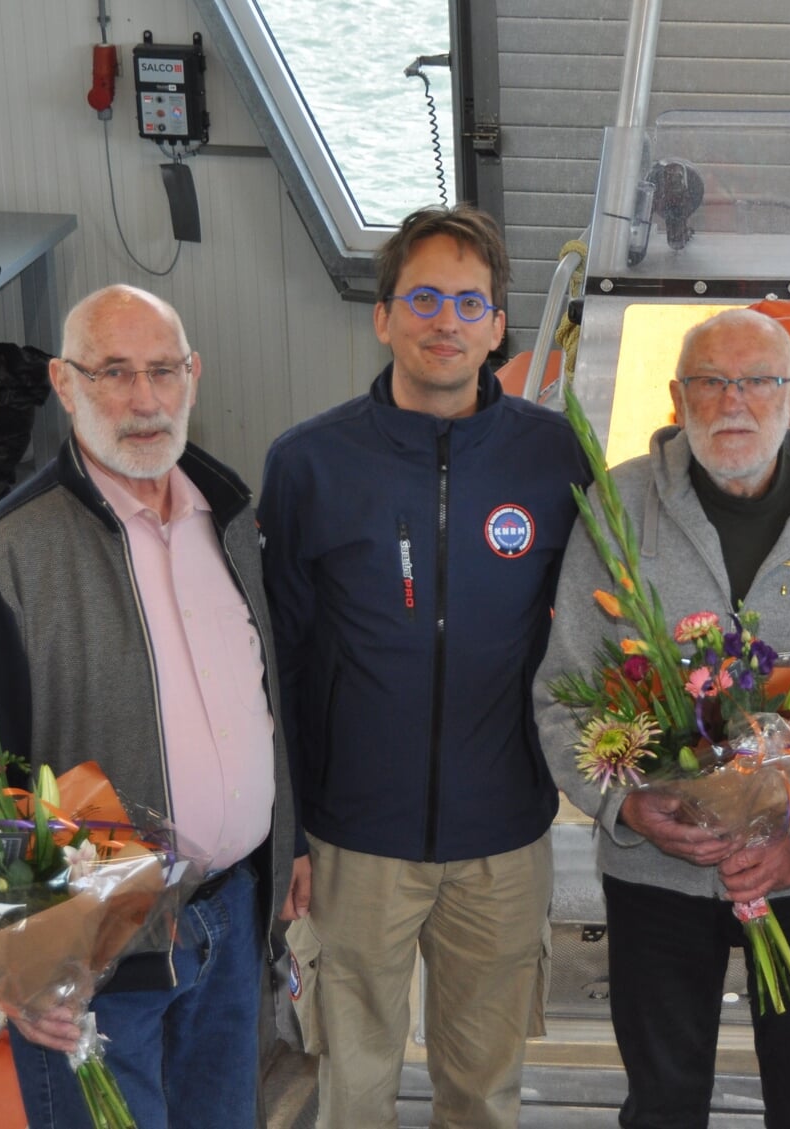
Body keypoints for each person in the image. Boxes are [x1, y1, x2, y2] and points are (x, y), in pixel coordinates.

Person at [534, 308, 790, 1129]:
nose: (732, 401)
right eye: (710, 380)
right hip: (658, 873)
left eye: (756, 381)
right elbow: (563, 688)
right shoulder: (617, 507)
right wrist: (627, 805)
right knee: (663, 1105)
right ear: (677, 397)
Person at [258, 204, 589, 1129]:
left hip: (505, 834)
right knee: (350, 1083)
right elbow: (277, 667)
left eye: (469, 302)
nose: (446, 320)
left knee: (483, 1089)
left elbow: (599, 636)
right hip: (355, 838)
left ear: (496, 328)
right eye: (425, 297)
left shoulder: (554, 457)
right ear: (385, 316)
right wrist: (291, 832)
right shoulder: (309, 465)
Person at [0, 284, 298, 1129]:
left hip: (230, 918)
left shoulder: (230, 517)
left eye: (163, 371)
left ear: (193, 377)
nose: (144, 400)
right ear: (64, 384)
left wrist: (292, 846)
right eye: (113, 373)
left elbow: (265, 697)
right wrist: (14, 965)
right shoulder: (4, 555)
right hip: (94, 958)